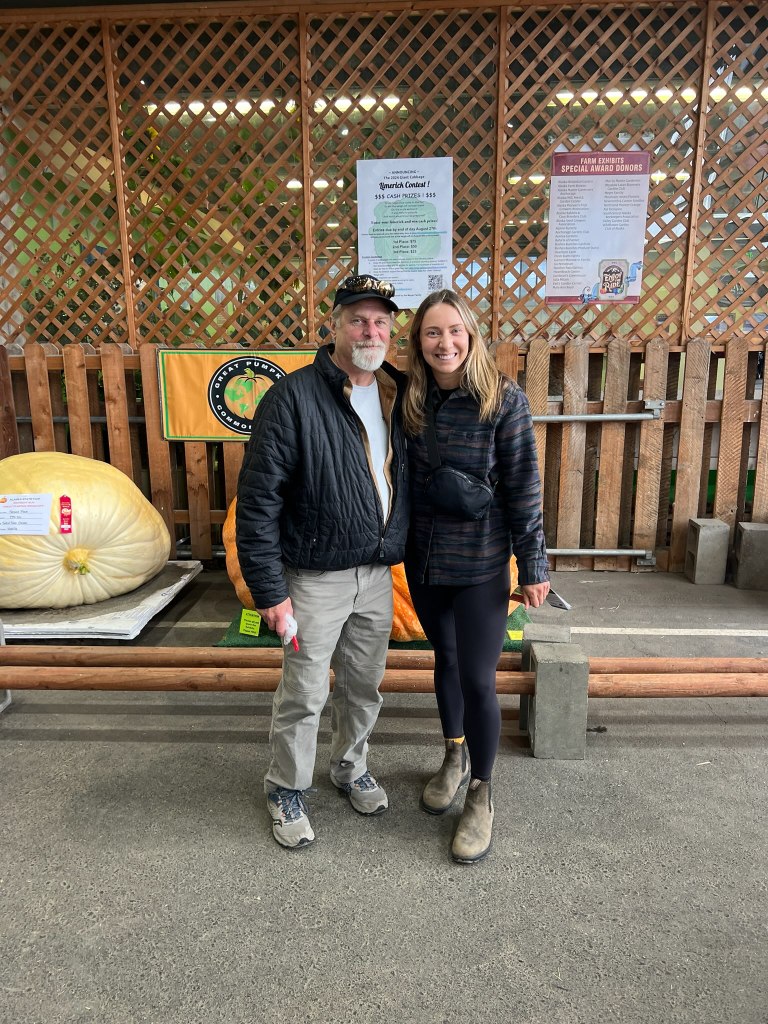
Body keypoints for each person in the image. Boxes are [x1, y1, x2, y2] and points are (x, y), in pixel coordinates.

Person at [236, 274, 409, 849]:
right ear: (333, 326)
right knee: (305, 693)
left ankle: (350, 766)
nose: (370, 331)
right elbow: (258, 503)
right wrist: (270, 592)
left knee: (363, 687)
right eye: (357, 320)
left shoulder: (399, 394)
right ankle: (286, 787)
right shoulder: (292, 398)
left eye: (380, 321)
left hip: (378, 575)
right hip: (313, 578)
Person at [402, 289, 549, 864]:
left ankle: (482, 792)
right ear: (419, 341)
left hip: (482, 561)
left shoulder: (503, 400)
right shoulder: (410, 399)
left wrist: (533, 564)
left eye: (455, 331)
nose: (445, 343)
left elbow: (524, 485)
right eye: (433, 332)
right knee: (444, 660)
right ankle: (453, 755)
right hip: (422, 560)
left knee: (478, 678)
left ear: (471, 335)